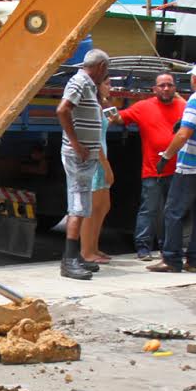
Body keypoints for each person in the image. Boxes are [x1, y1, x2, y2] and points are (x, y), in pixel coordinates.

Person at [151, 62, 196, 273]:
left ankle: (171, 259)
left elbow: (184, 133)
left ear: (194, 79)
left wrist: (166, 156)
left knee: (173, 211)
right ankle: (194, 261)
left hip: (191, 165)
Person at [116, 72, 184, 260]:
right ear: (154, 89)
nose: (166, 88)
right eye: (161, 85)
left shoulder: (184, 107)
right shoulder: (143, 107)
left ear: (175, 88)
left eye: (169, 85)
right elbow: (119, 118)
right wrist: (105, 106)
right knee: (149, 209)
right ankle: (143, 247)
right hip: (152, 170)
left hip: (177, 170)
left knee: (172, 212)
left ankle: (167, 247)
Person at [55, 49, 110, 280]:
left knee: (83, 204)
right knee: (78, 206)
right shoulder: (79, 82)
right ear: (100, 68)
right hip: (78, 156)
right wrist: (76, 144)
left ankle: (75, 257)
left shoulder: (88, 84)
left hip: (86, 157)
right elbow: (62, 110)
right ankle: (69, 261)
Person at [81, 76, 117, 267]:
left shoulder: (99, 106)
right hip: (97, 162)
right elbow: (95, 140)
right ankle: (86, 251)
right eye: (107, 83)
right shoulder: (93, 108)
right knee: (92, 209)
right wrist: (106, 166)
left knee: (103, 207)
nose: (110, 87)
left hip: (100, 160)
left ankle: (93, 247)